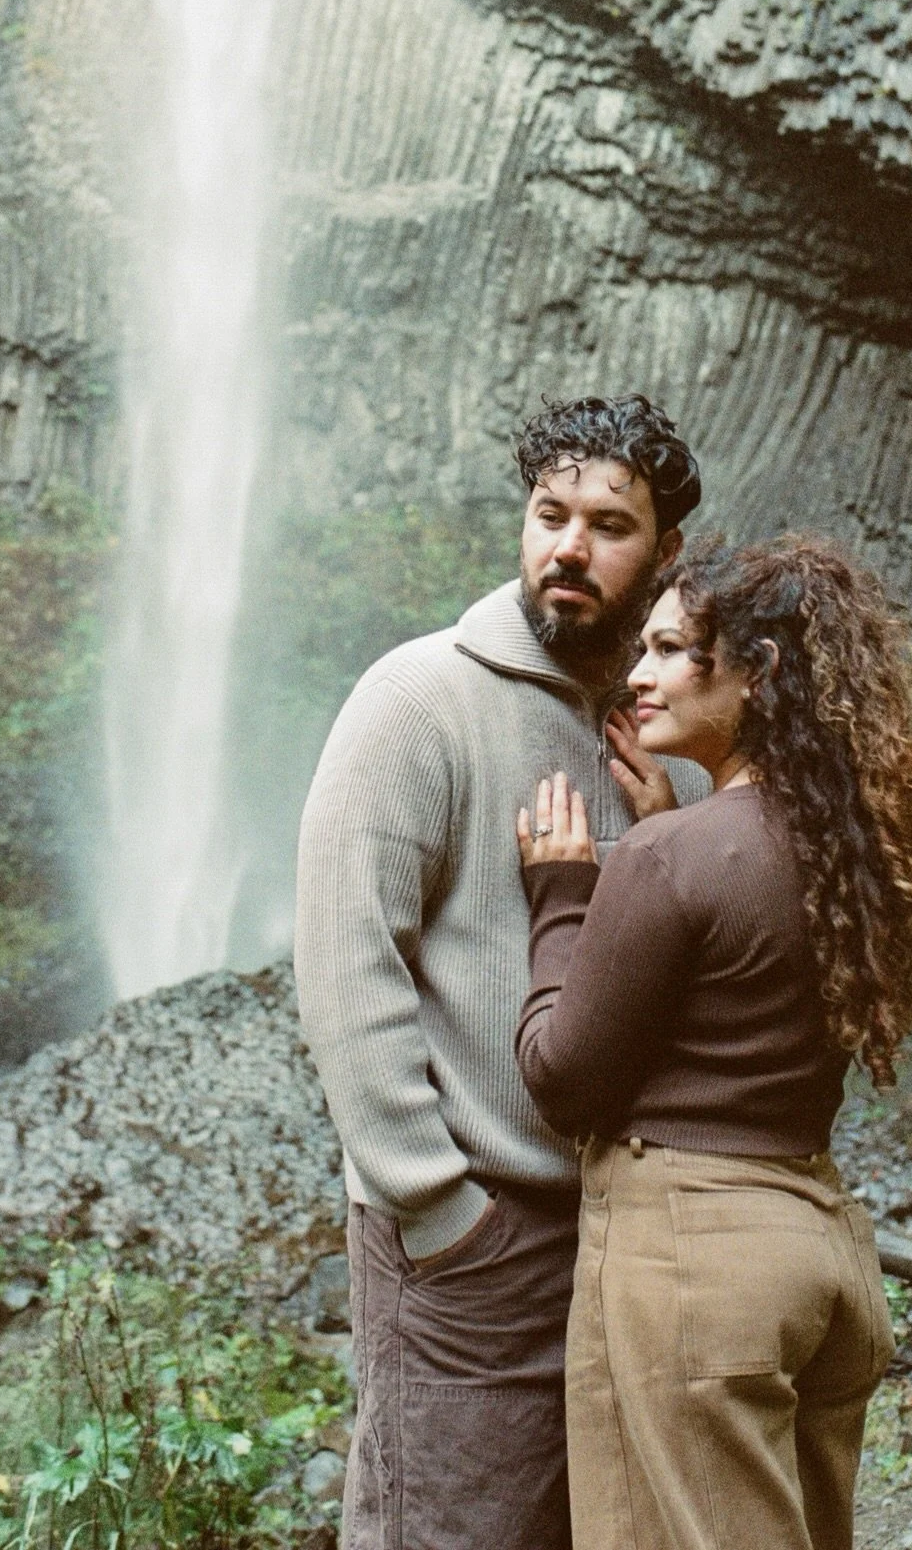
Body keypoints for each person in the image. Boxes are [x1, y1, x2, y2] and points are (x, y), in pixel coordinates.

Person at [294, 395, 706, 1550]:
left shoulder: (664, 727)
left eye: (609, 524)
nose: (569, 545)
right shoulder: (416, 700)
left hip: (621, 1240)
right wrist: (437, 1205)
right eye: (548, 513)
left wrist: (663, 829)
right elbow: (344, 965)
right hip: (468, 1240)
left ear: (665, 552)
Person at [515, 536, 912, 1550]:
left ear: (757, 673)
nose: (637, 672)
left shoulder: (677, 856)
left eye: (671, 650)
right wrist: (671, 825)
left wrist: (562, 898)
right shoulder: (857, 848)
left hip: (697, 1269)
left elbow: (561, 1078)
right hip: (822, 1250)